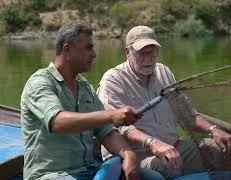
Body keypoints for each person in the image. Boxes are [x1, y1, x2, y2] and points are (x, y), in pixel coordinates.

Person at [20, 22, 164, 180]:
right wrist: (110, 115)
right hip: (50, 175)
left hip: (89, 170)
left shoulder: (85, 87)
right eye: (88, 48)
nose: (94, 54)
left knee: (155, 178)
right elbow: (57, 121)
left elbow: (106, 132)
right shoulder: (40, 82)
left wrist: (129, 155)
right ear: (67, 50)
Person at [97, 25, 231, 179]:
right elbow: (118, 127)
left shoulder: (164, 72)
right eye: (142, 53)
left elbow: (187, 114)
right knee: (167, 166)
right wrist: (153, 143)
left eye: (152, 52)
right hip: (135, 155)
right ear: (127, 52)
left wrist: (213, 129)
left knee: (216, 149)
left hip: (173, 147)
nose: (148, 59)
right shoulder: (113, 80)